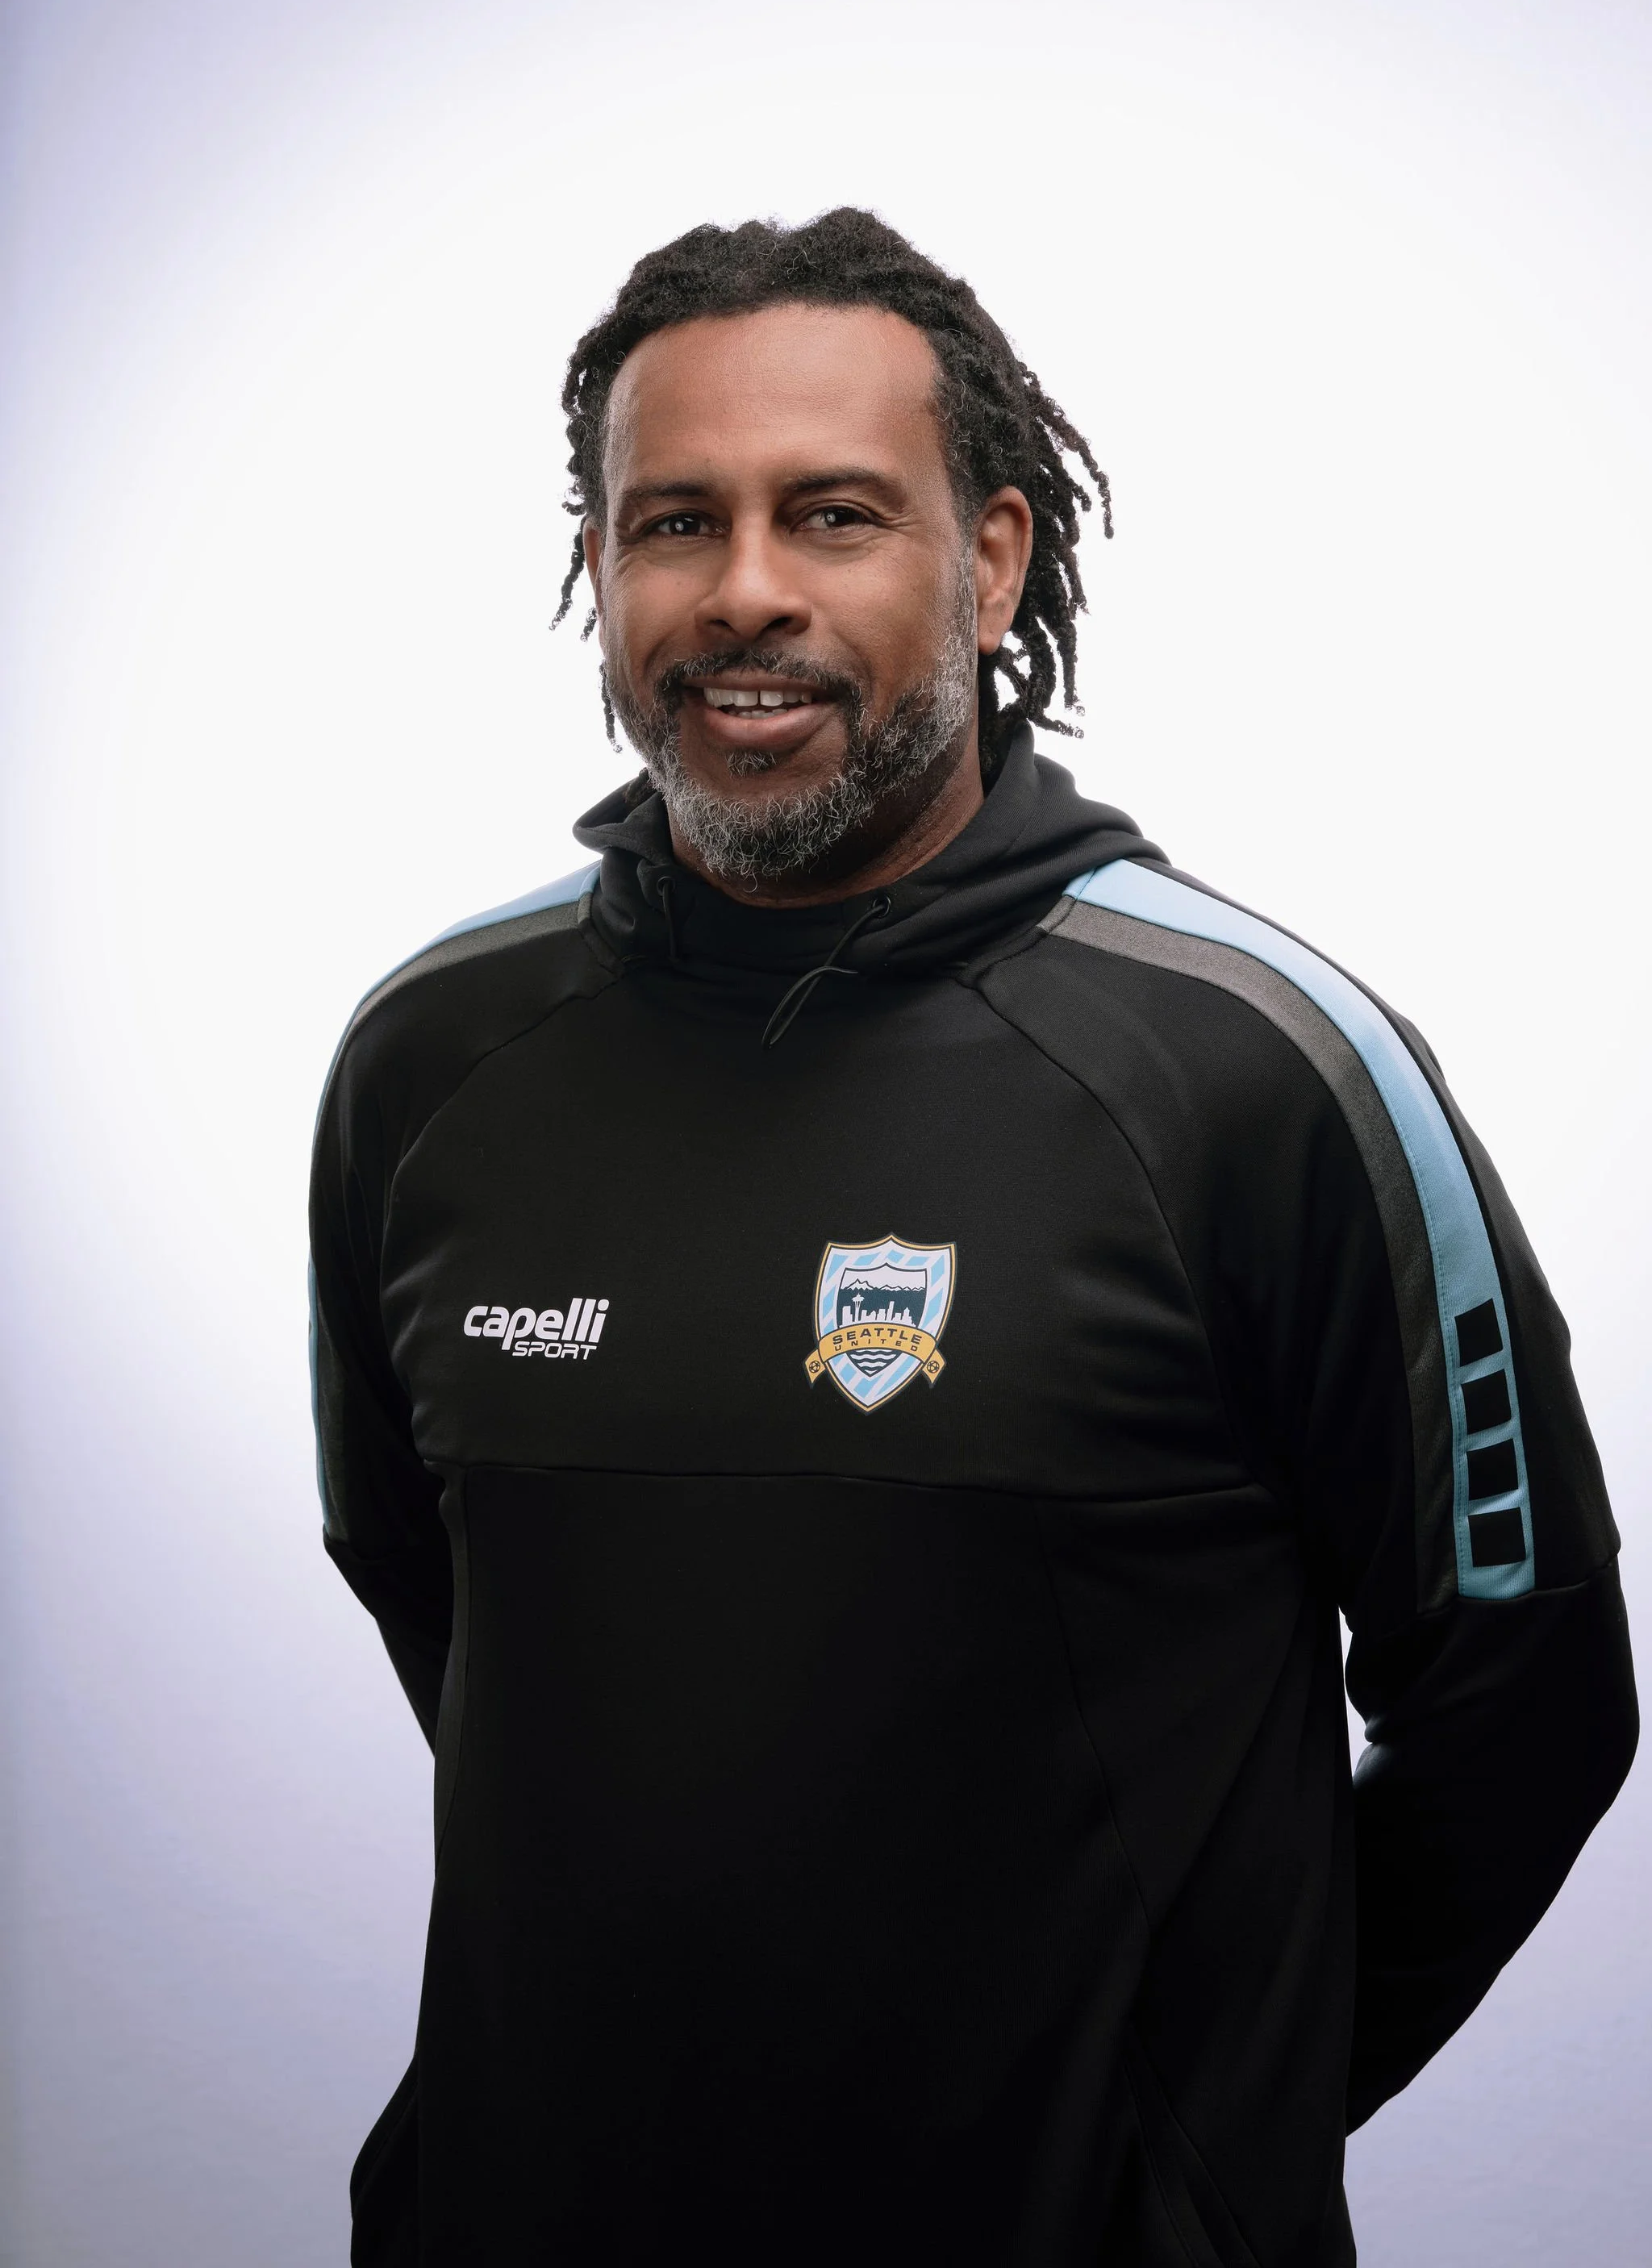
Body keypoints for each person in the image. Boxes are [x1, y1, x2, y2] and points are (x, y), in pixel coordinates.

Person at [309, 209, 1636, 2266]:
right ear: (598, 572)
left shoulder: (1261, 1071)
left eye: (832, 516)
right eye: (674, 524)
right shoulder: (430, 1060)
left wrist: (1185, 2132)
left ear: (991, 561)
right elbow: (444, 1608)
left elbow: (1529, 1701)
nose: (744, 592)